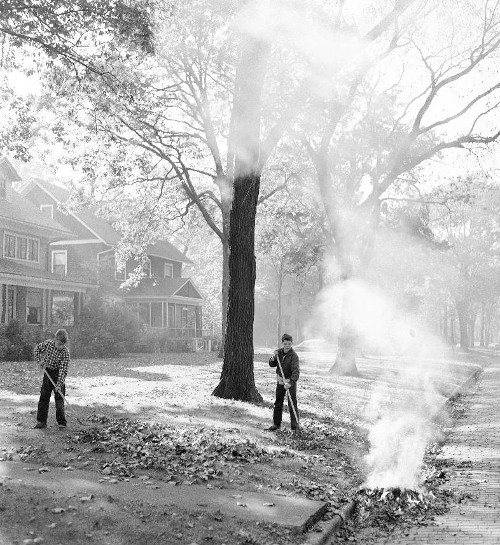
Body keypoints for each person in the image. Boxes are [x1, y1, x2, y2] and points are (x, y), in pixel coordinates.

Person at [33, 329, 70, 429]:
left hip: (58, 373)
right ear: (55, 339)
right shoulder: (48, 344)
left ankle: (62, 422)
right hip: (48, 372)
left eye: (62, 345)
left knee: (59, 399)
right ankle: (41, 422)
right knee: (44, 397)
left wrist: (59, 384)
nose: (60, 347)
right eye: (58, 344)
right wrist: (39, 361)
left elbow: (63, 369)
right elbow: (37, 349)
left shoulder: (65, 352)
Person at [267, 333, 300, 432]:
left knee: (292, 403)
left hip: (290, 382)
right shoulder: (279, 353)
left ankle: (295, 427)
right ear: (282, 343)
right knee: (278, 402)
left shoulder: (294, 356)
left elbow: (296, 371)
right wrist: (272, 359)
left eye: (289, 344)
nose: (287, 346)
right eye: (285, 344)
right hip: (281, 381)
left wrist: (290, 382)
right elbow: (272, 364)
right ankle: (276, 424)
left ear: (291, 344)